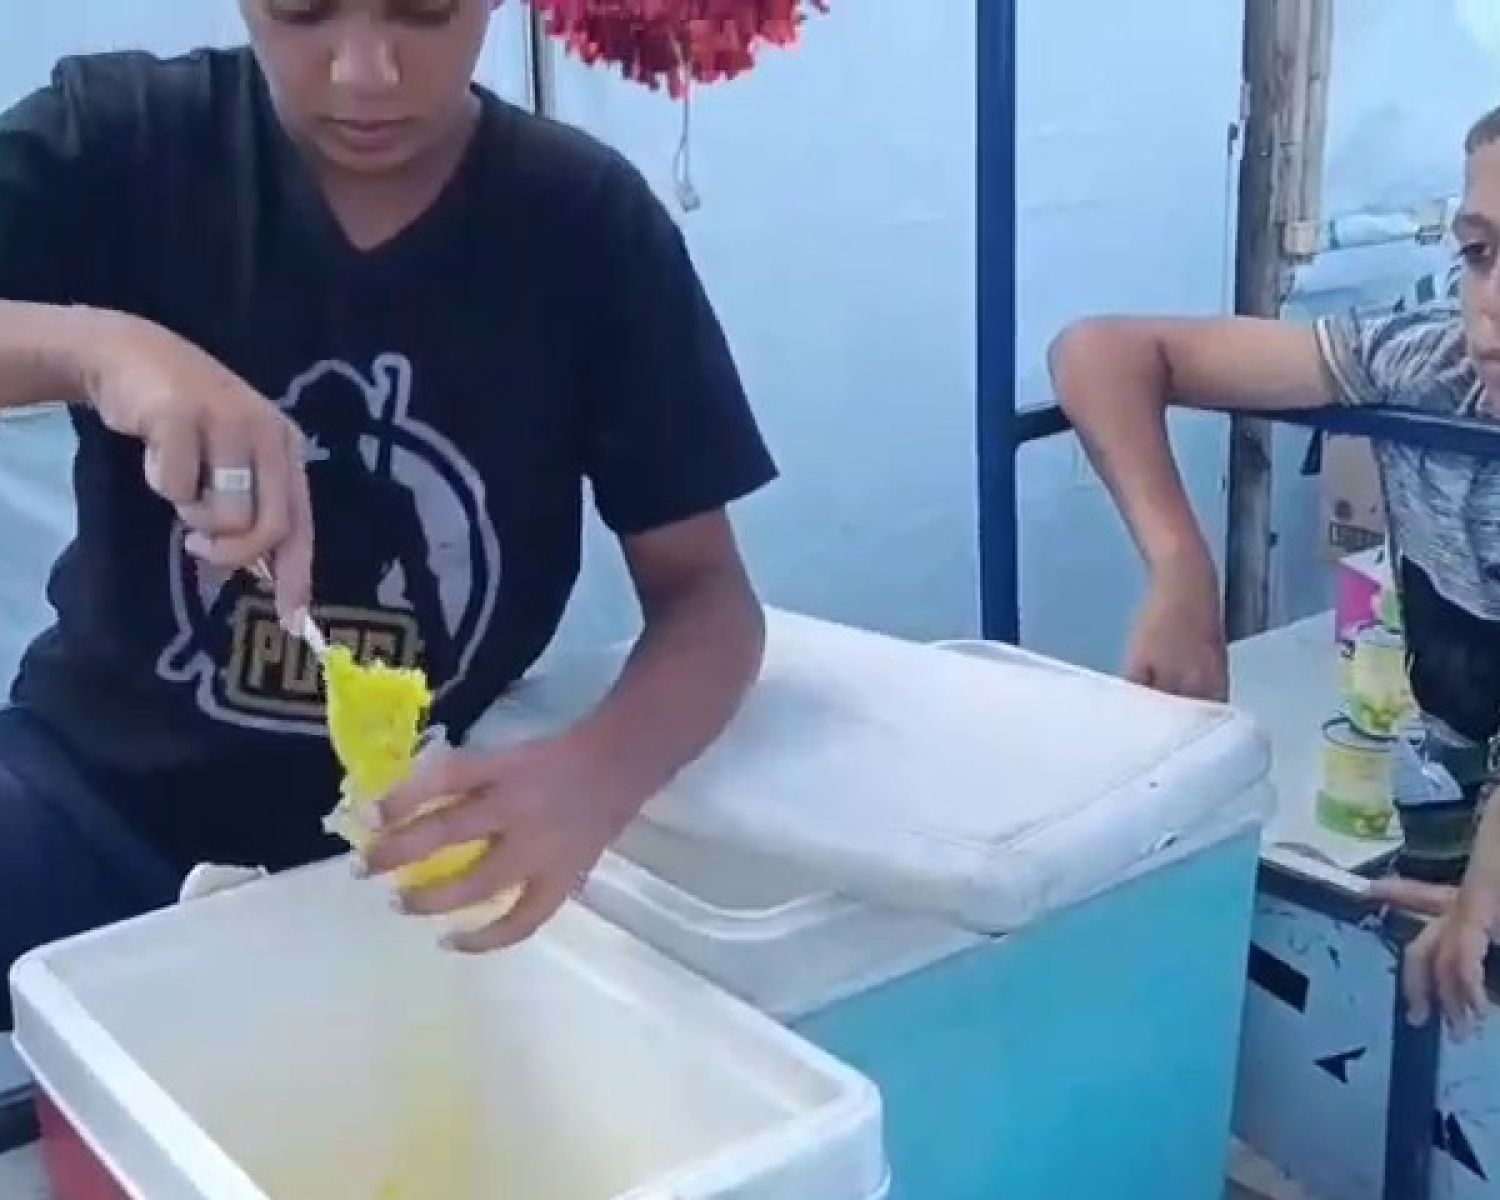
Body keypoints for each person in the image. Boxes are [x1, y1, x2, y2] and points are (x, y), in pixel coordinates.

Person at [0, 0, 775, 1026]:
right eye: (304, 10)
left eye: (425, 10)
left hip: (414, 847)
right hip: (86, 802)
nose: (364, 74)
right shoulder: (120, 140)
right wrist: (95, 350)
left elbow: (709, 599)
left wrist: (596, 775)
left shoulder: (586, 226)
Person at [1049, 104, 1500, 1039]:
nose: (1491, 300)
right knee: (1417, 1001)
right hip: (1450, 770)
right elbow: (1102, 352)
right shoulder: (1431, 362)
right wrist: (1181, 569)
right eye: (1481, 253)